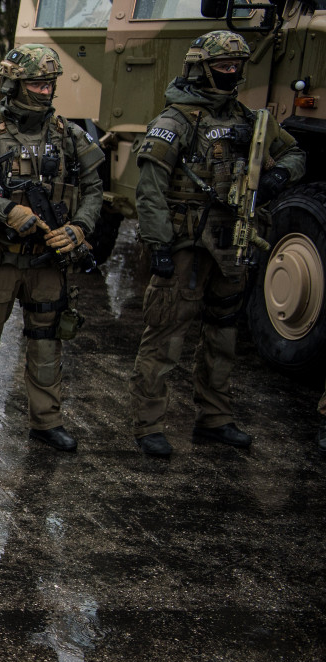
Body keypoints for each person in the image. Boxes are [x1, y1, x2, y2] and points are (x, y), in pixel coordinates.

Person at [129, 31, 304, 457]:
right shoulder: (175, 122)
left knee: (223, 334)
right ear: (201, 68)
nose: (231, 74)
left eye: (237, 67)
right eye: (224, 66)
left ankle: (216, 417)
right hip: (186, 244)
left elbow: (294, 151)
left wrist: (280, 175)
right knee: (165, 336)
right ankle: (149, 424)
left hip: (232, 241)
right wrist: (160, 246)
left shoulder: (249, 120)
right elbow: (149, 191)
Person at [0, 45, 104, 454]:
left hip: (49, 261)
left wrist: (79, 228)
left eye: (49, 84)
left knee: (48, 341)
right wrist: (6, 211)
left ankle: (46, 422)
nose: (45, 91)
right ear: (13, 85)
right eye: (36, 83)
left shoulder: (69, 135)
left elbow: (94, 189)